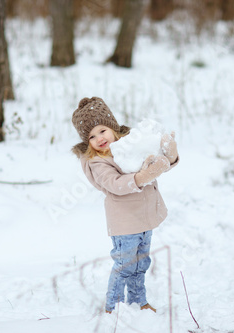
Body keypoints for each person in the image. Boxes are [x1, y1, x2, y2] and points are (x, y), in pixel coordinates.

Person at [71, 97, 179, 313]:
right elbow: (115, 184)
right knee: (124, 266)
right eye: (91, 136)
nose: (99, 138)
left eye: (102, 131)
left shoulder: (132, 146)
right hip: (125, 224)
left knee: (140, 265)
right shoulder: (97, 162)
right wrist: (142, 176)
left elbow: (156, 164)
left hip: (144, 218)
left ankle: (139, 301)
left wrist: (169, 155)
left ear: (112, 127)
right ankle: (114, 307)